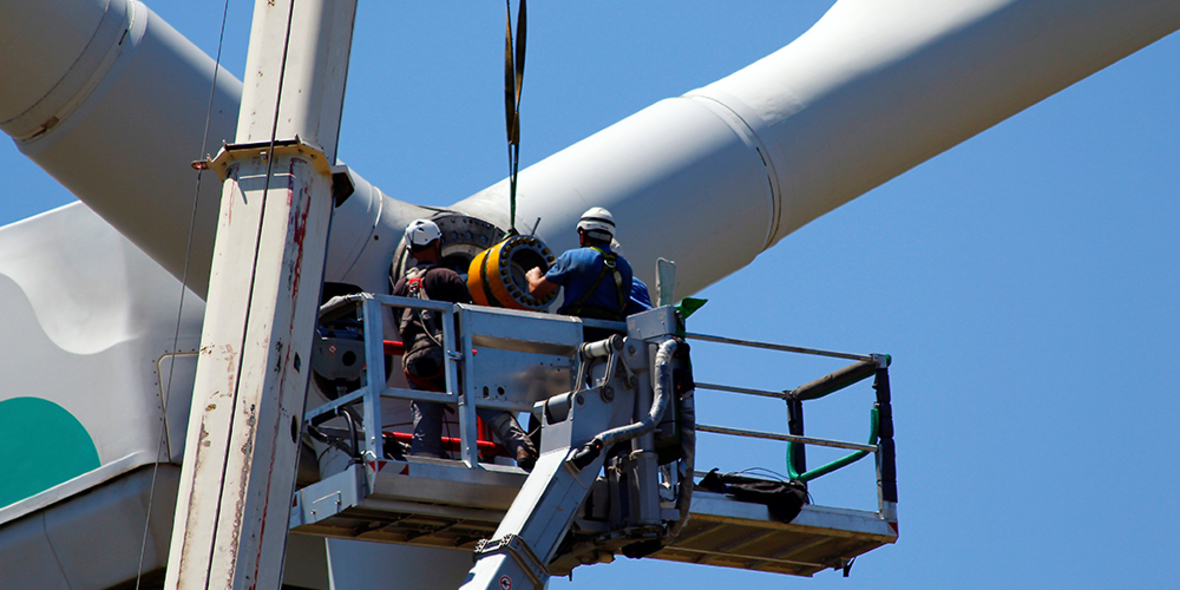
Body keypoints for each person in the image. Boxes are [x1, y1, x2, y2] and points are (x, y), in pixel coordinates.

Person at [392, 219, 537, 469]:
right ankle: (521, 446)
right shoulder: (446, 277)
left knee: (424, 412)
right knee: (483, 397)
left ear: (411, 250)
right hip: (448, 357)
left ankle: (424, 462)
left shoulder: (401, 287)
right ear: (438, 243)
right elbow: (468, 319)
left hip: (416, 364)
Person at [526, 207, 634, 328]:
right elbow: (623, 305)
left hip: (579, 331)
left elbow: (536, 291)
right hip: (611, 335)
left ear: (582, 234)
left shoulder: (573, 257)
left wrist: (533, 276)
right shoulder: (625, 267)